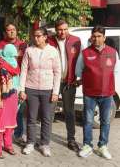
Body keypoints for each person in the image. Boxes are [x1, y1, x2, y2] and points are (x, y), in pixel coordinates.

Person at [76, 25, 120, 159]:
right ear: (91, 37)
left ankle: (102, 146)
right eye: (94, 36)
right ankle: (87, 145)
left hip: (107, 93)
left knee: (105, 121)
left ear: (104, 37)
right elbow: (79, 71)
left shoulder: (113, 52)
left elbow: (116, 71)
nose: (96, 39)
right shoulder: (85, 53)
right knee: (88, 121)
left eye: (99, 36)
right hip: (90, 93)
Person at [20, 27, 61, 156]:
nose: (36, 38)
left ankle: (45, 144)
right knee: (31, 117)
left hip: (48, 89)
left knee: (47, 118)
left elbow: (57, 72)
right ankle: (30, 143)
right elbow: (24, 70)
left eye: (39, 36)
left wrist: (55, 92)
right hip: (31, 88)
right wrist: (22, 89)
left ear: (45, 37)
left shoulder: (53, 51)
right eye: (35, 36)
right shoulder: (29, 50)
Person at [48, 19, 81, 152]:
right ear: (56, 30)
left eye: (65, 29)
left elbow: (80, 61)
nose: (63, 32)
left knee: (69, 112)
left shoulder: (76, 41)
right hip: (52, 83)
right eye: (60, 29)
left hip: (69, 83)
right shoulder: (49, 40)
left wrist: (78, 79)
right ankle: (45, 139)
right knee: (49, 111)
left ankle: (71, 139)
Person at [0, 23, 28, 143]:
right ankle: (3, 135)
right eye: (8, 30)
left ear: (17, 31)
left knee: (18, 110)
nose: (11, 32)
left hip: (19, 81)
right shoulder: (1, 46)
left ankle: (18, 134)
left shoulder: (23, 45)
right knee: (5, 110)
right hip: (5, 83)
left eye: (13, 30)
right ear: (5, 32)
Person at [0, 44, 20, 158]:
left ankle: (8, 145)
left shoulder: (14, 63)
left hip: (12, 97)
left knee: (10, 124)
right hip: (2, 97)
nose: (15, 55)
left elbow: (17, 80)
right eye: (13, 53)